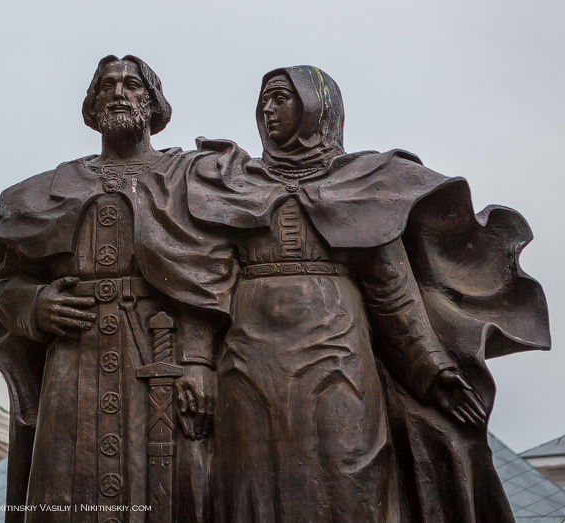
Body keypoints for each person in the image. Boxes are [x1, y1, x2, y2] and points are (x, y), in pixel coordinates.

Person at [188, 65, 550, 523]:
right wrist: (197, 360)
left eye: (281, 97)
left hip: (338, 359)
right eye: (264, 99)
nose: (267, 108)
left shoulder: (364, 185)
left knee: (350, 474)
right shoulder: (234, 184)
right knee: (250, 481)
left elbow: (391, 293)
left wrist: (433, 371)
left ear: (316, 107)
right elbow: (204, 286)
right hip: (249, 364)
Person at [0, 55, 234, 522]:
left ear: (153, 105)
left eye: (132, 85)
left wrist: (198, 361)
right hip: (75, 357)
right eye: (106, 85)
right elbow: (7, 280)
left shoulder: (183, 176)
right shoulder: (55, 186)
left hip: (158, 354)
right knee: (66, 488)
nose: (118, 92)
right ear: (92, 107)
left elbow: (206, 274)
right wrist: (37, 305)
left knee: (170, 489)